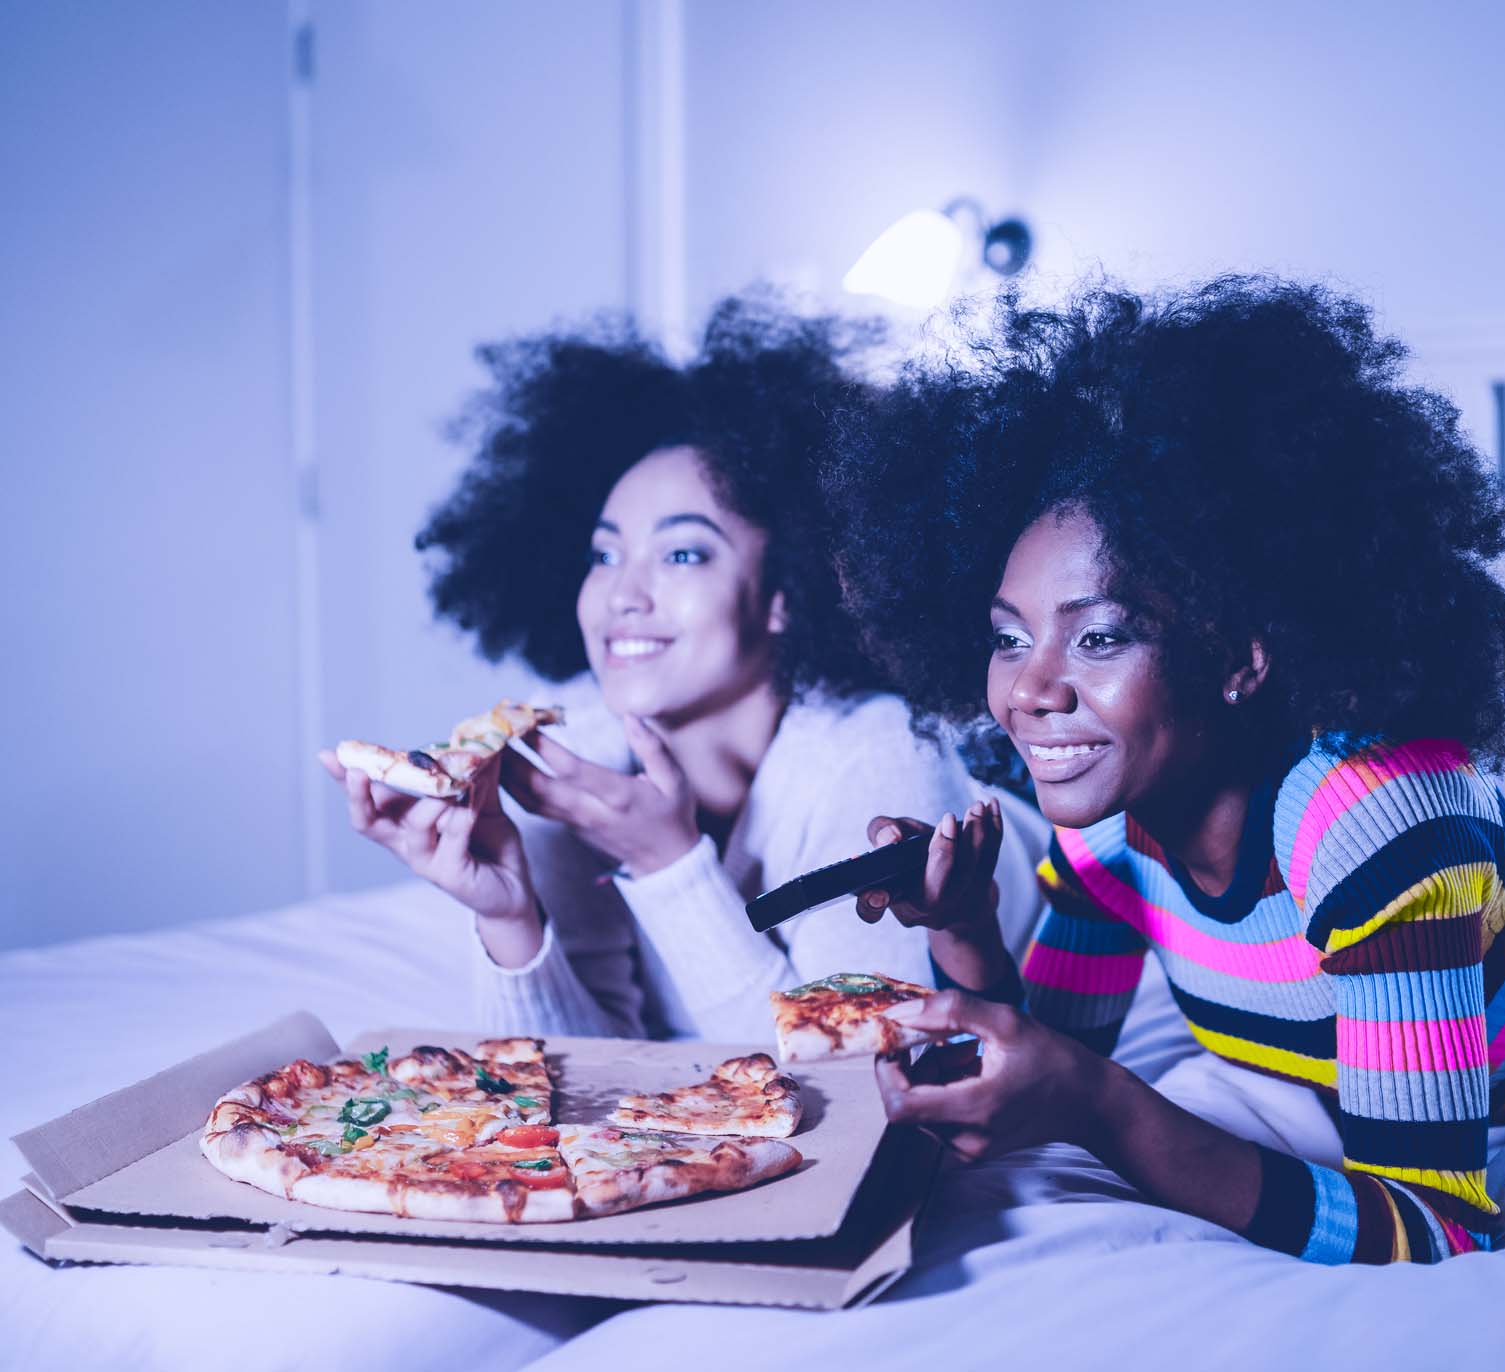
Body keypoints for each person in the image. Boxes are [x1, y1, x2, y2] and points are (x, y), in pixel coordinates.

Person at [824, 276, 1505, 1265]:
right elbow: (1049, 1059)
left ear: (1242, 654)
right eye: (1009, 635)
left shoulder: (1380, 824)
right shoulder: (1103, 823)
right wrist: (963, 923)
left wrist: (1109, 1111)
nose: (1030, 690)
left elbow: (1437, 1223)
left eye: (1101, 635)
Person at [319, 298, 1045, 1042]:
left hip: (1033, 846)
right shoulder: (573, 755)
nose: (621, 596)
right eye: (604, 555)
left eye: (682, 554)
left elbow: (847, 1076)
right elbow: (576, 1076)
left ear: (784, 595)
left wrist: (671, 866)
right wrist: (508, 917)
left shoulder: (878, 760)